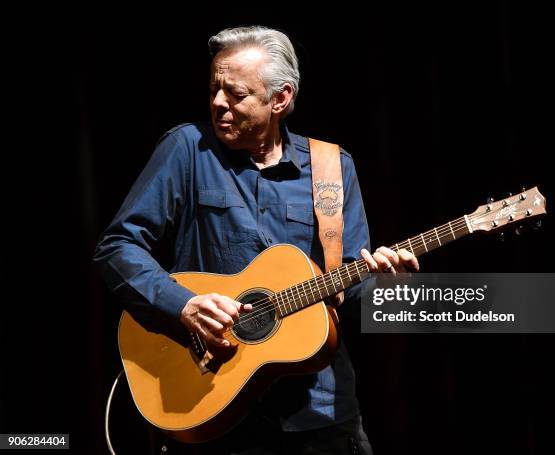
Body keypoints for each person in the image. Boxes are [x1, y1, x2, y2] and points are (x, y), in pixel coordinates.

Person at [94, 25, 419, 455]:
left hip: (319, 417)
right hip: (212, 403)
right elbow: (118, 246)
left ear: (280, 99)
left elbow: (352, 293)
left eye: (235, 93)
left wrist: (386, 287)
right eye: (214, 88)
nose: (217, 102)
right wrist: (184, 304)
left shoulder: (331, 168)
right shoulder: (187, 149)